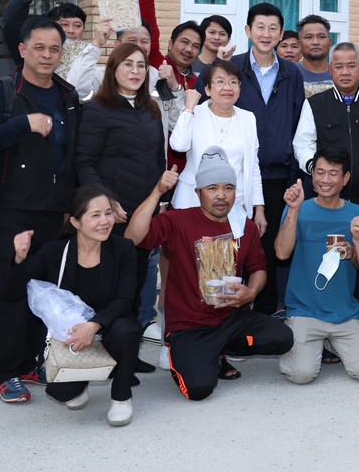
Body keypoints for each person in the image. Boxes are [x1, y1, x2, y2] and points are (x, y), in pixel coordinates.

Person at [125, 153, 295, 400]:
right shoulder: (177, 221)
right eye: (212, 188)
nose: (221, 195)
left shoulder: (244, 226)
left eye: (228, 188)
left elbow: (259, 268)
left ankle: (219, 349)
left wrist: (251, 292)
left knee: (283, 338)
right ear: (198, 192)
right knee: (198, 389)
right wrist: (158, 191)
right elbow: (133, 237)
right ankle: (185, 351)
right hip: (189, 325)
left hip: (231, 318)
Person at [0, 16, 82, 404]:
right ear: (22, 50)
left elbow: (73, 153)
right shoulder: (2, 91)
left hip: (55, 210)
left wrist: (74, 204)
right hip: (11, 207)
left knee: (44, 288)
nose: (47, 55)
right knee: (12, 288)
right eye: (39, 47)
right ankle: (5, 372)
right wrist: (22, 124)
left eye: (54, 49)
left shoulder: (68, 94)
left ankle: (29, 363)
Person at [12, 186, 143, 426]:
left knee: (127, 330)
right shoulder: (54, 252)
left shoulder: (123, 249)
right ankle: (82, 382)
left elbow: (126, 300)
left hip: (109, 327)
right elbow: (14, 292)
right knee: (61, 394)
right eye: (95, 215)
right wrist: (19, 259)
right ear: (75, 221)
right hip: (70, 335)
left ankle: (121, 396)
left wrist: (93, 326)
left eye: (108, 213)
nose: (105, 221)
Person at [219, 3, 306, 313]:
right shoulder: (232, 68)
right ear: (248, 31)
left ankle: (265, 315)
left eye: (273, 28)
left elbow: (298, 126)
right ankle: (227, 312)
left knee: (268, 250)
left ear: (281, 34)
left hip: (278, 175)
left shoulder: (292, 73)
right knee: (231, 245)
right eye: (260, 27)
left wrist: (295, 175)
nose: (266, 34)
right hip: (236, 176)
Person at [75, 43, 166, 337]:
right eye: (127, 64)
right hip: (112, 214)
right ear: (113, 69)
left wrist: (158, 203)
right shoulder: (96, 110)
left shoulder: (151, 109)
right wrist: (106, 204)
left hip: (144, 212)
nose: (135, 71)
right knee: (109, 285)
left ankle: (129, 342)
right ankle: (101, 341)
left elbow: (158, 160)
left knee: (135, 281)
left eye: (141, 66)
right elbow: (85, 162)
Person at [274, 149, 359, 383]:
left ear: (346, 178)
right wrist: (293, 210)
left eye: (333, 173)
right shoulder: (298, 208)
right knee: (302, 374)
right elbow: (281, 253)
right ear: (312, 175)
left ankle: (330, 343)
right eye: (320, 172)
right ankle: (306, 342)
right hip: (304, 310)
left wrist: (355, 251)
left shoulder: (357, 214)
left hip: (345, 312)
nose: (325, 179)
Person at [294, 42, 359, 216]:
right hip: (326, 198)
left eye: (351, 66)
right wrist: (317, 170)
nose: (345, 72)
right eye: (338, 66)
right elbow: (302, 145)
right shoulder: (314, 104)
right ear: (330, 69)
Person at [169, 59, 262, 235]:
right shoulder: (194, 112)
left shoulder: (248, 118)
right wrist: (188, 108)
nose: (227, 87)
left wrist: (259, 207)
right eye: (220, 81)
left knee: (230, 251)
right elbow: (178, 145)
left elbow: (253, 165)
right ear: (207, 89)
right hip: (193, 201)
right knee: (191, 249)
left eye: (233, 82)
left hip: (234, 204)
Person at [0, 0, 103, 99]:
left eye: (77, 25)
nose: (71, 31)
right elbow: (12, 21)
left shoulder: (89, 62)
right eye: (64, 24)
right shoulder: (36, 57)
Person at [295, 14, 334, 95]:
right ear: (299, 44)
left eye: (321, 37)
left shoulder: (340, 75)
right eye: (309, 37)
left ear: (330, 43)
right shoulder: (289, 74)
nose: (315, 42)